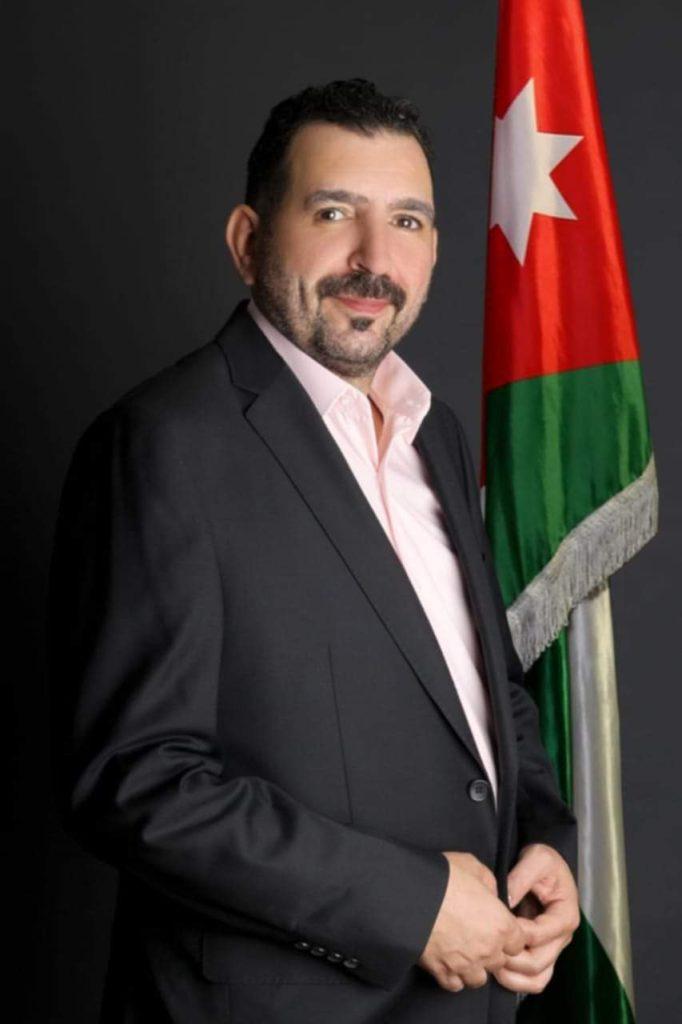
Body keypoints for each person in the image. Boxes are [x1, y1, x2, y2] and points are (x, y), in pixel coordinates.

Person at [47, 78, 580, 1024]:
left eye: (408, 221)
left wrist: (543, 839)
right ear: (248, 240)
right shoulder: (164, 444)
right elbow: (136, 782)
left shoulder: (435, 434)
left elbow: (486, 692)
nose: (375, 258)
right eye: (335, 213)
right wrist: (412, 904)